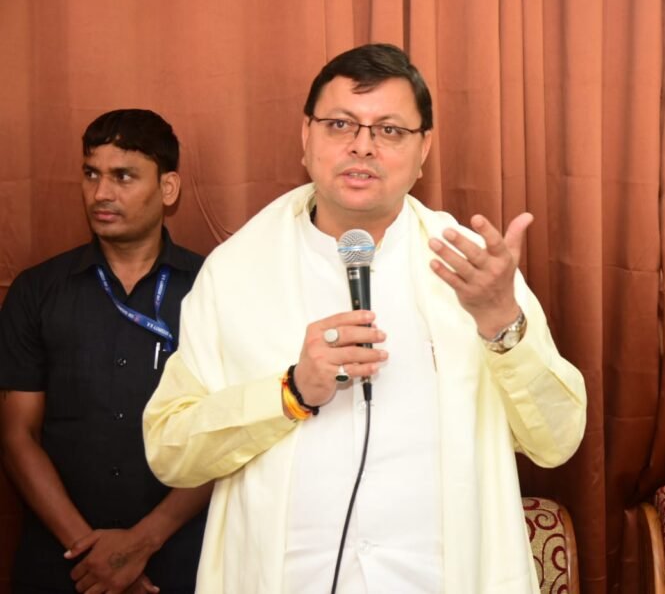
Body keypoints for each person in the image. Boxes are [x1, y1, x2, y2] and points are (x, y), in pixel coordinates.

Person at [142, 43, 587, 593]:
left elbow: (556, 440)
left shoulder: (474, 267)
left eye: (390, 130)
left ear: (424, 150)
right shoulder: (235, 272)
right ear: (306, 136)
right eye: (340, 124)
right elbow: (169, 449)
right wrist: (290, 393)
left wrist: (501, 323)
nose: (362, 145)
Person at [0, 109, 212, 594]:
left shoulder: (213, 289)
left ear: (168, 188)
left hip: (179, 561)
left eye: (123, 176)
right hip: (63, 565)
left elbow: (229, 435)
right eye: (91, 174)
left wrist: (140, 544)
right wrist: (94, 556)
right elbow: (16, 435)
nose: (100, 194)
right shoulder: (37, 291)